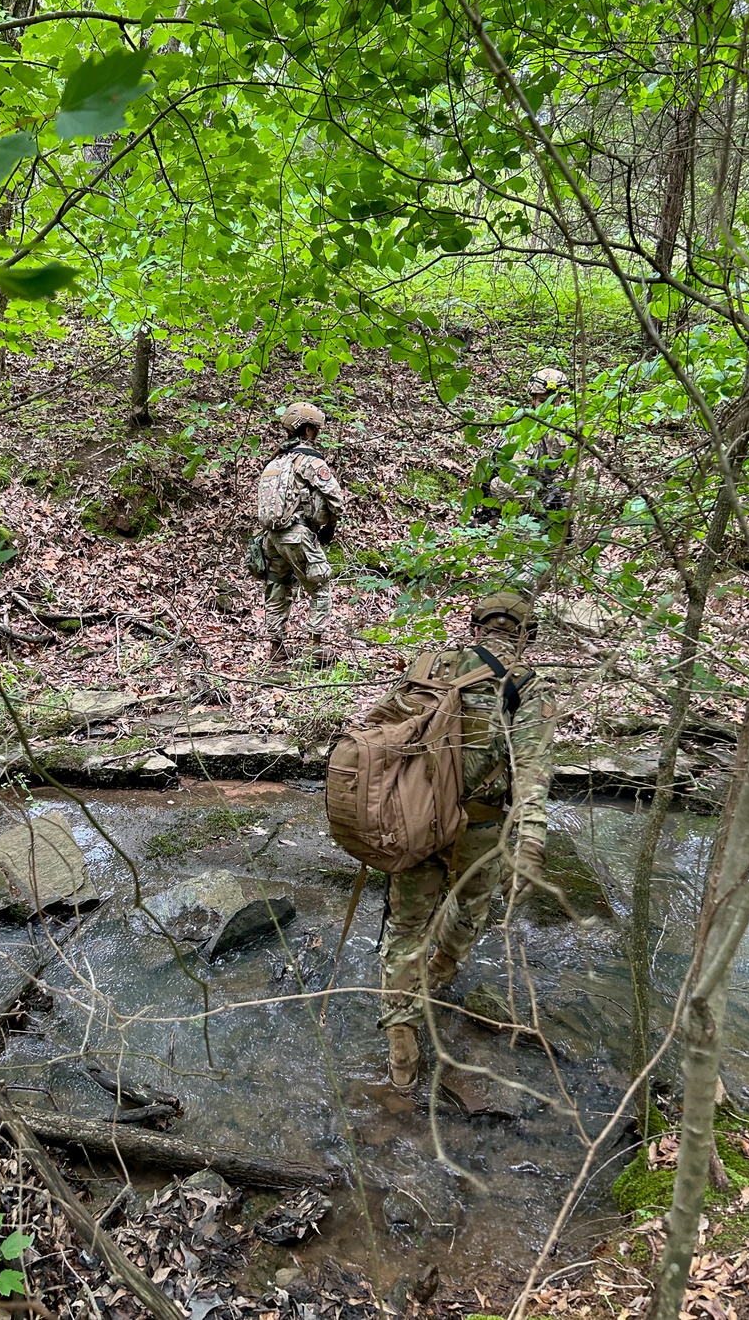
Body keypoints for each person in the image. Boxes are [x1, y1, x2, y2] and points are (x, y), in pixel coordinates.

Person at [379, 591, 556, 1088]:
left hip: (413, 821)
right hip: (478, 827)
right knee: (471, 904)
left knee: (406, 924)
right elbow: (532, 772)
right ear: (525, 635)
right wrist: (530, 841)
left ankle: (401, 1046)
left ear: (476, 627)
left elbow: (382, 739)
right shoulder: (524, 685)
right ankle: (444, 966)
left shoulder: (429, 666)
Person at [259, 401, 345, 667]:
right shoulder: (308, 460)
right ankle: (314, 649)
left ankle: (276, 649)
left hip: (271, 538)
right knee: (320, 587)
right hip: (297, 534)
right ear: (307, 431)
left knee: (277, 587)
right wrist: (330, 525)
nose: (316, 434)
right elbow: (335, 497)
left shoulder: (274, 462)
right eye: (315, 429)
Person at [483, 367, 572, 521]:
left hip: (546, 494)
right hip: (524, 501)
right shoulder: (524, 433)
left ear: (561, 401)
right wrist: (540, 511)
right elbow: (511, 483)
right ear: (533, 401)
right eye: (542, 401)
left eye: (554, 401)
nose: (548, 407)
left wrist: (561, 496)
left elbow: (569, 469)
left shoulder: (566, 429)